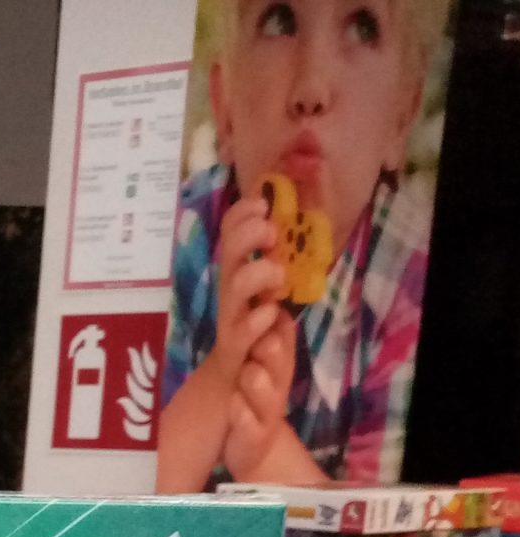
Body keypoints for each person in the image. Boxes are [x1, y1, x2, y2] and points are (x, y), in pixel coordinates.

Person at [158, 0, 444, 491]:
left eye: (361, 28)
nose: (311, 90)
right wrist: (223, 371)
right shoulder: (176, 242)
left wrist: (266, 454)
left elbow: (383, 534)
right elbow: (115, 506)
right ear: (225, 110)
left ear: (401, 120)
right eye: (280, 21)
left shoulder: (410, 282)